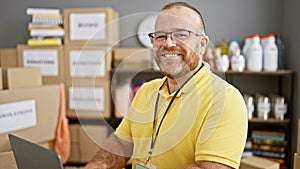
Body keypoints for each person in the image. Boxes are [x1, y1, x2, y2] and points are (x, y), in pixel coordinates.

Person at [84, 2, 247, 169]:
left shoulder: (225, 99)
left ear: (202, 44)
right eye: (160, 36)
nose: (168, 43)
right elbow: (120, 144)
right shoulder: (146, 91)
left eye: (181, 34)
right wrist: (96, 166)